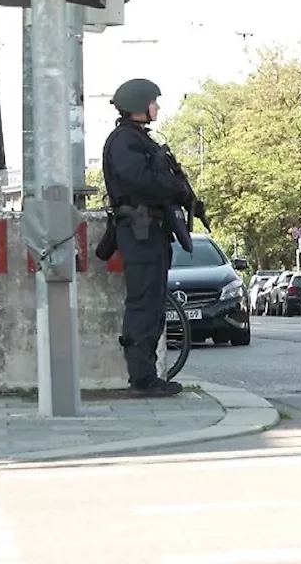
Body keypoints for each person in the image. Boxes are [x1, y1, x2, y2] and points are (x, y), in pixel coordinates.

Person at [101, 78, 194, 397]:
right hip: (139, 230)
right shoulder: (125, 141)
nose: (157, 106)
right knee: (143, 303)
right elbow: (139, 179)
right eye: (153, 101)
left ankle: (147, 373)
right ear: (139, 105)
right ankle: (141, 376)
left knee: (153, 303)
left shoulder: (138, 139)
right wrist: (175, 188)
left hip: (151, 230)